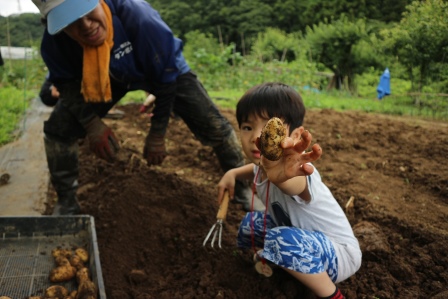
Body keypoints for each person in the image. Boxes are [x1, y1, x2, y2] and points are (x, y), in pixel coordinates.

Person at [32, 0, 264, 215]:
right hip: (103, 78)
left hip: (161, 67)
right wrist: (93, 125)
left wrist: (157, 133)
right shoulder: (54, 42)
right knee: (58, 130)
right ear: (57, 26)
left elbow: (166, 80)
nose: (85, 25)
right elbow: (65, 85)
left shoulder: (138, 17)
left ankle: (242, 189)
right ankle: (66, 202)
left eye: (87, 11)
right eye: (71, 21)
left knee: (215, 126)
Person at [217, 82, 362, 299]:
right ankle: (281, 265)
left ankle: (332, 295)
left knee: (280, 239)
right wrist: (233, 174)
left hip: (339, 255)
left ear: (295, 135)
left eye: (268, 129)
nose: (257, 137)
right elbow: (254, 169)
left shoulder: (300, 173)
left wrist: (282, 177)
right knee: (250, 225)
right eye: (247, 127)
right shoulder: (263, 167)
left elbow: (293, 184)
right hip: (305, 243)